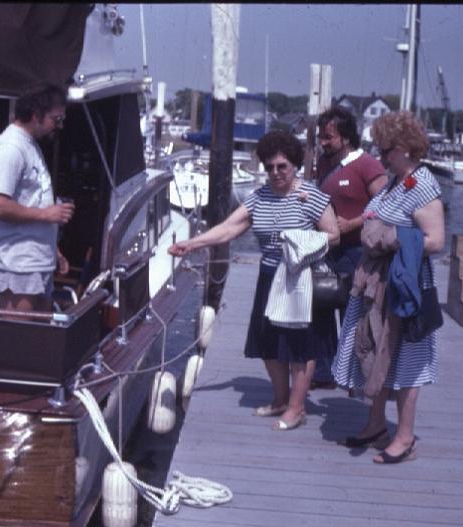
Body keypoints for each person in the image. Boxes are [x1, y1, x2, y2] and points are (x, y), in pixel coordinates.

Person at [169, 131, 340, 430]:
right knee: (268, 342)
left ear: (295, 166)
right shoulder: (259, 197)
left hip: (300, 279)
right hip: (269, 275)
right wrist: (192, 244)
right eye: (270, 167)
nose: (275, 173)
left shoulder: (311, 196)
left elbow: (334, 235)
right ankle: (280, 399)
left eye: (282, 166)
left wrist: (298, 241)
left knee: (301, 346)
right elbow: (228, 229)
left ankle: (297, 408)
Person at [332, 110, 445, 463]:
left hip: (404, 289)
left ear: (407, 148)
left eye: (386, 150)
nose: (381, 157)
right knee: (371, 349)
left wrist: (389, 238)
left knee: (406, 362)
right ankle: (376, 424)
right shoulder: (398, 181)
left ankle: (406, 438)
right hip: (375, 284)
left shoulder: (423, 186)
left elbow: (436, 240)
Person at [0, 85, 75, 315]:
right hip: (17, 263)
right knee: (19, 339)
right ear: (35, 115)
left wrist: (54, 250)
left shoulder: (29, 145)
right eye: (56, 118)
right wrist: (47, 214)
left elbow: (32, 200)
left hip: (35, 261)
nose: (60, 125)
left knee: (37, 337)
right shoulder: (10, 148)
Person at [311, 107, 388, 389]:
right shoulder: (325, 163)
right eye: (321, 136)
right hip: (327, 251)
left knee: (352, 315)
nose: (323, 142)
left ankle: (352, 375)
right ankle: (323, 372)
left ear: (345, 137)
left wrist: (352, 224)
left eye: (328, 137)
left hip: (356, 253)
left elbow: (385, 207)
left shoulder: (368, 165)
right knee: (319, 308)